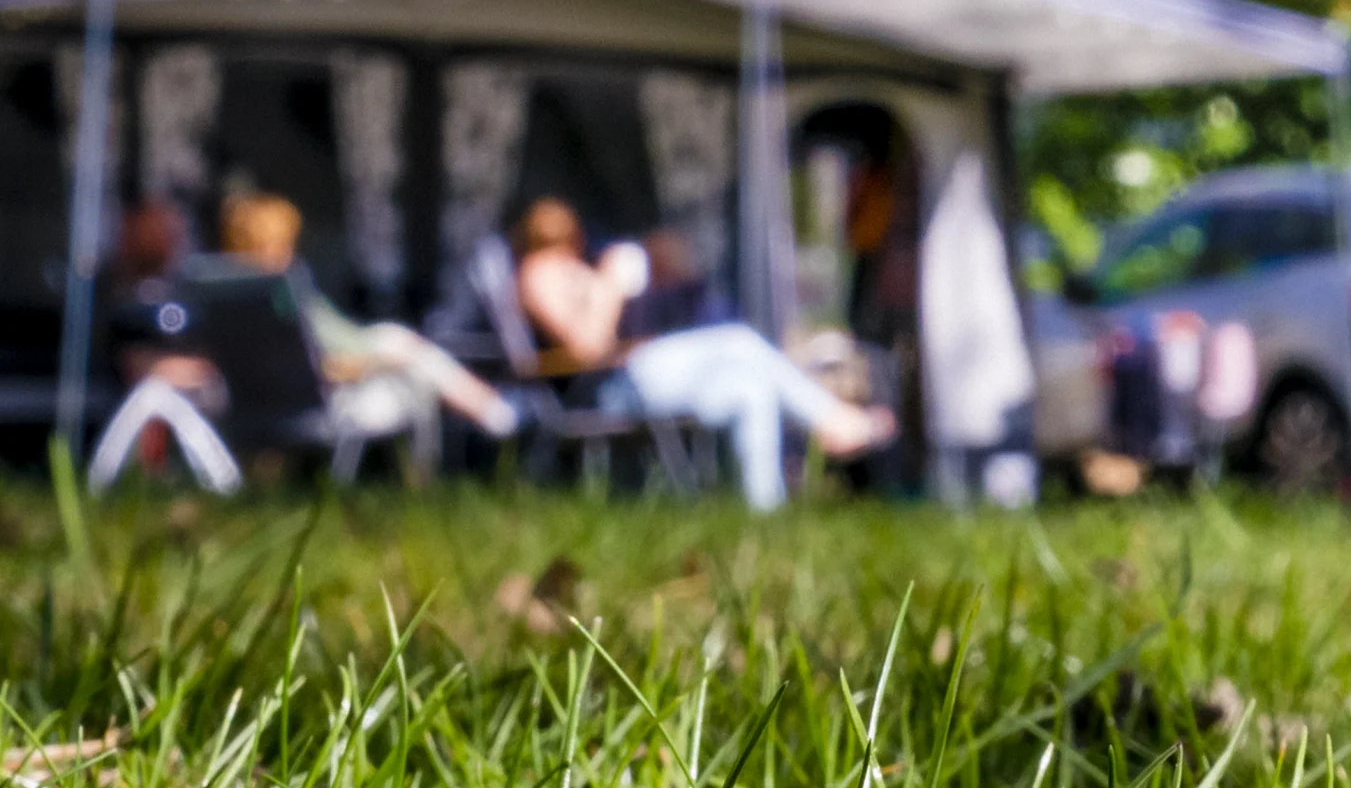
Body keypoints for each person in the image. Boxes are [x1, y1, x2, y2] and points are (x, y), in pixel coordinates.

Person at [511, 198, 893, 509]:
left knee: (750, 390)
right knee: (738, 341)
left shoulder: (576, 268)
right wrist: (610, 285)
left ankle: (766, 512)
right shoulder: (538, 273)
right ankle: (832, 418)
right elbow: (588, 348)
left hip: (640, 373)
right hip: (610, 388)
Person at [217, 191, 517, 444]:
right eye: (279, 245)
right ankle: (499, 418)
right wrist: (378, 363)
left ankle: (495, 414)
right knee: (405, 353)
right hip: (328, 402)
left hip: (290, 399)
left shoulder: (227, 299)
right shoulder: (280, 301)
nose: (289, 254)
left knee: (396, 340)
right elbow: (319, 369)